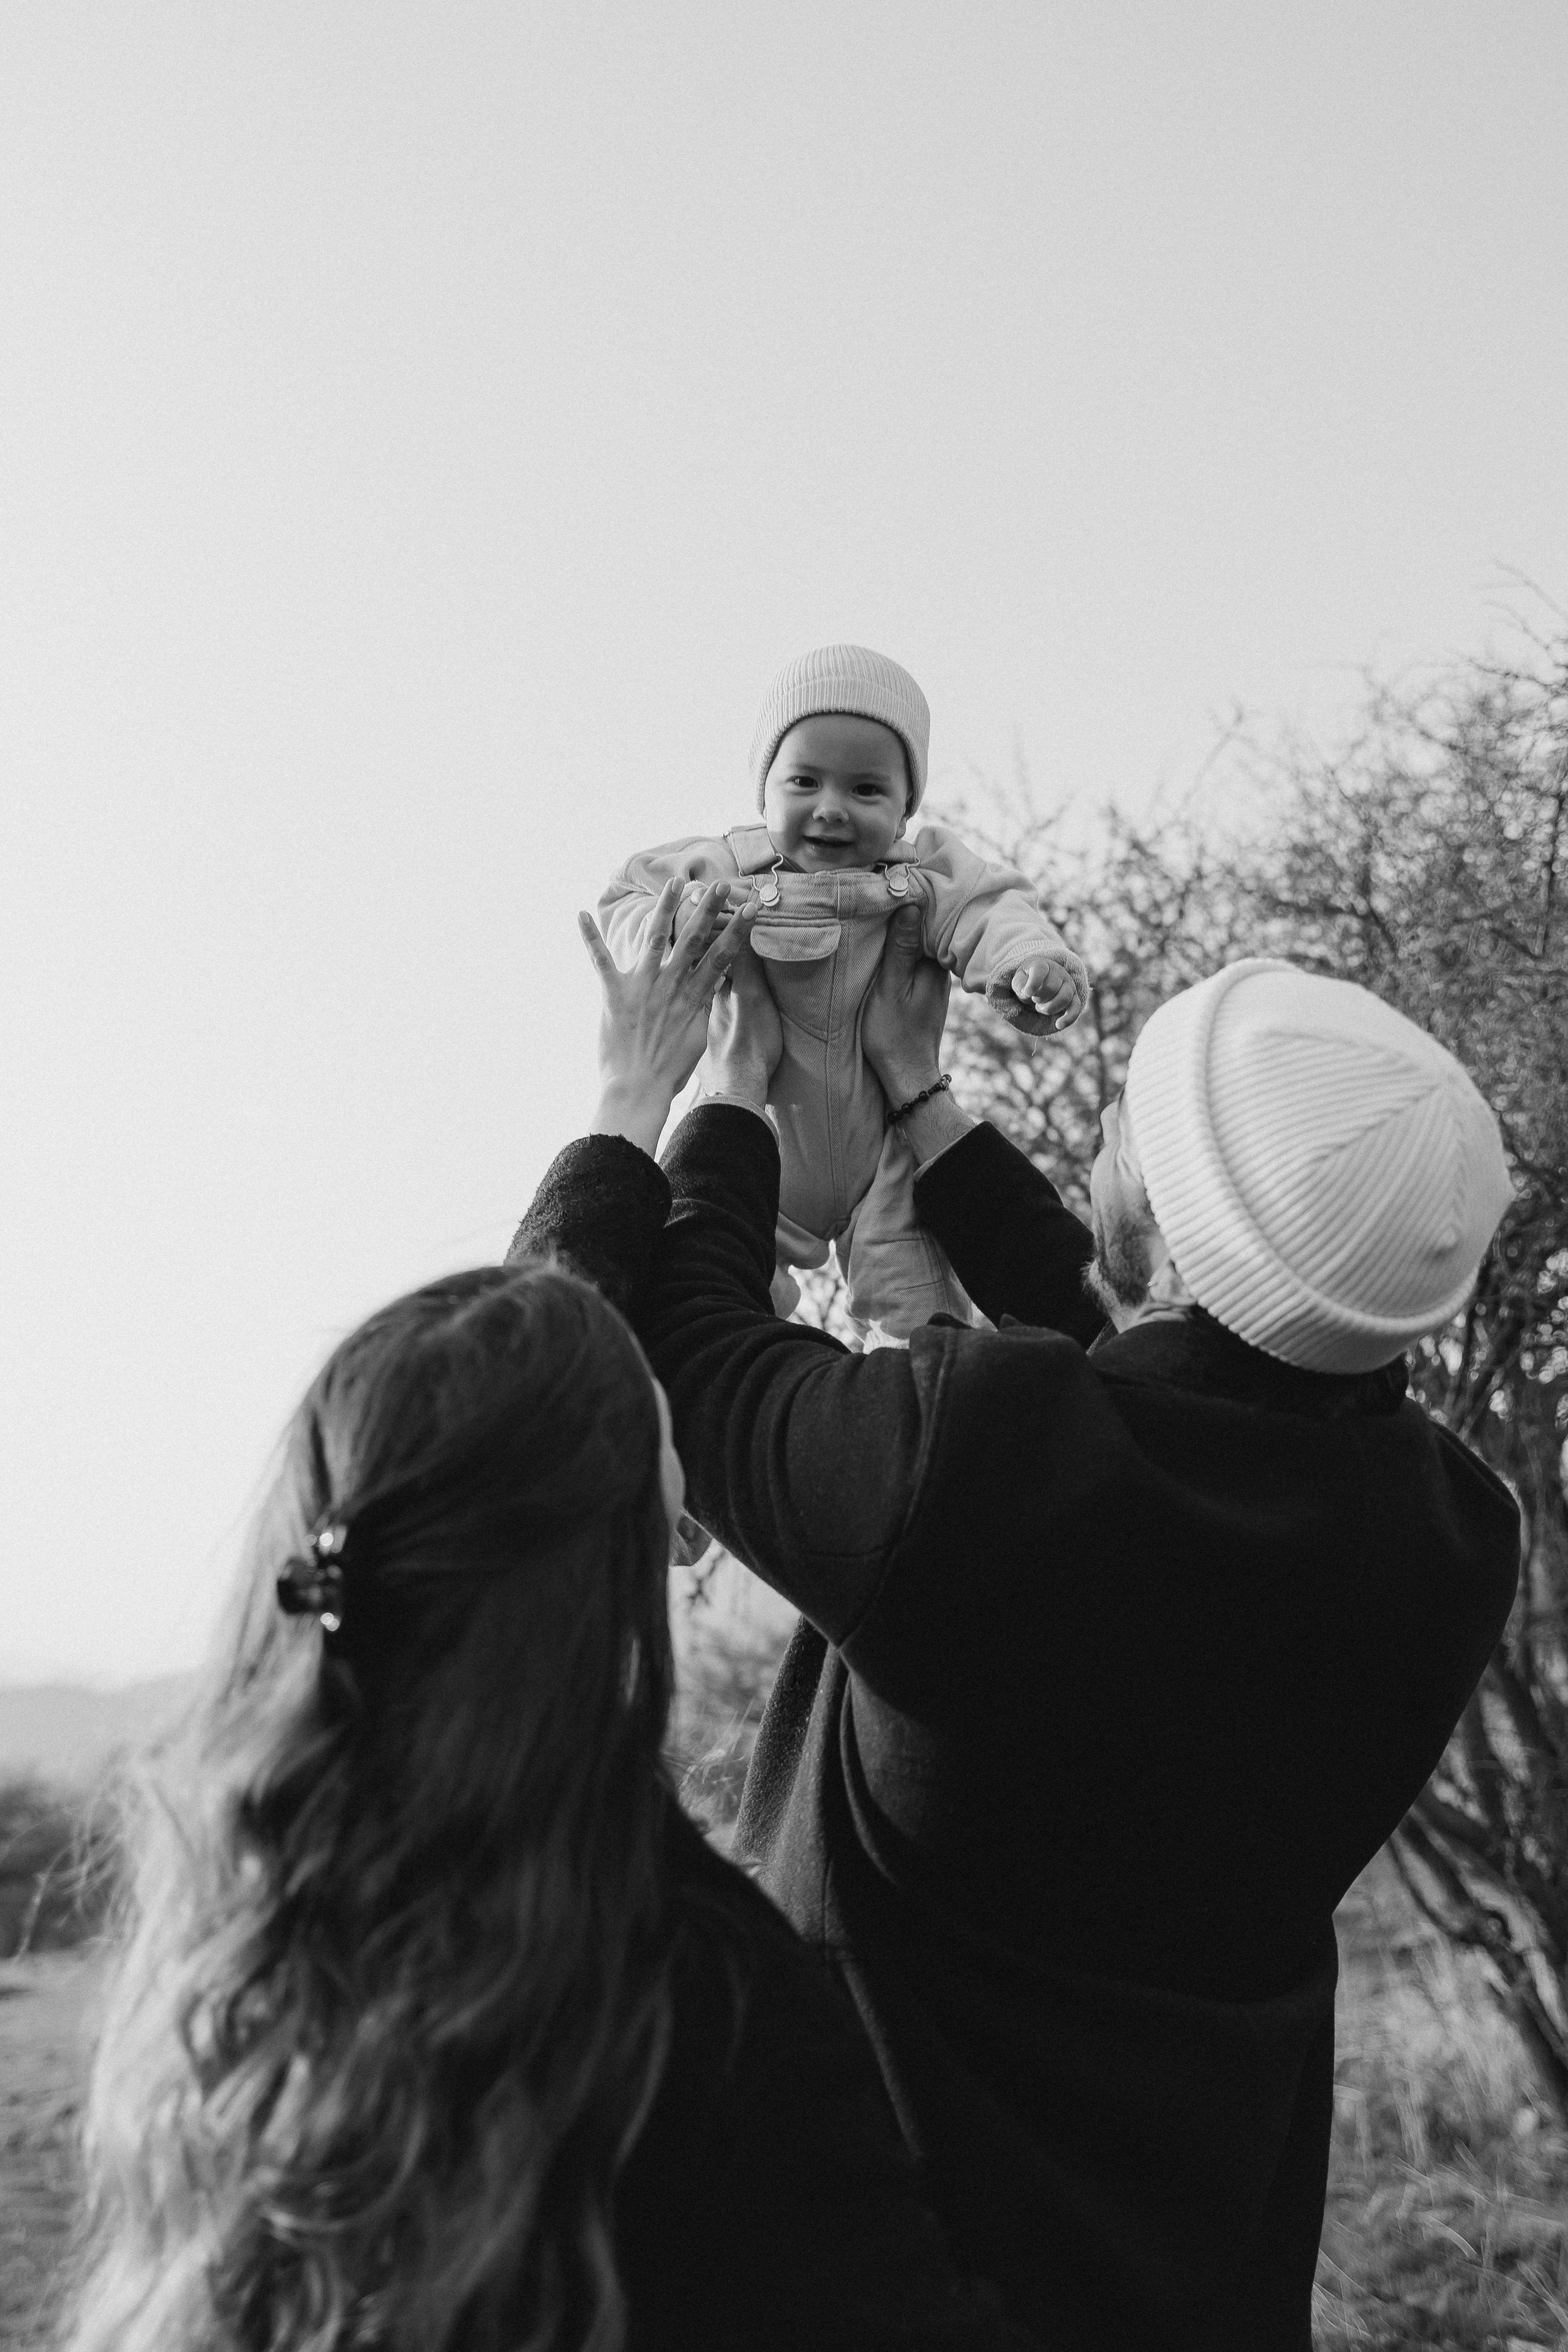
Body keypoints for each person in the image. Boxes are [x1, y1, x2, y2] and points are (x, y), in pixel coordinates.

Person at [529, 903, 1523, 2352]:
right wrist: (921, 1104)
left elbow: (682, 1344)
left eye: (1123, 1134)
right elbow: (1179, 1374)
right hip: (1204, 2289)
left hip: (902, 2282)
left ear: (1166, 1225)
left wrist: (710, 1086)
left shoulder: (965, 1477)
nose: (1099, 1146)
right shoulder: (1444, 1539)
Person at [67, 888, 1043, 2352]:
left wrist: (634, 1097)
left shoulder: (241, 1919)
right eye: (671, 1468)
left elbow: (495, 1413)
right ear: (624, 1554)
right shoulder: (704, 2008)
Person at [598, 643, 1086, 1340]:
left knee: (928, 1330)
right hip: (756, 1136)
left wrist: (1030, 963)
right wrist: (678, 928)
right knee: (710, 1296)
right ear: (763, 791)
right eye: (804, 782)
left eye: (866, 790)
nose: (831, 809)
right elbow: (629, 898)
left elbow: (991, 908)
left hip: (886, 1150)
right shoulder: (724, 864)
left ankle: (911, 1412)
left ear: (904, 808)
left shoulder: (926, 873)